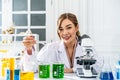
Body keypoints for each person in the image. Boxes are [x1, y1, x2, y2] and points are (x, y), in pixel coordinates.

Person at [22, 13, 103, 73]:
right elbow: (31, 68)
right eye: (61, 29)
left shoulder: (86, 46)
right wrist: (29, 50)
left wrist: (71, 70)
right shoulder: (51, 48)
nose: (65, 33)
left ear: (77, 27)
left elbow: (98, 66)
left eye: (69, 28)